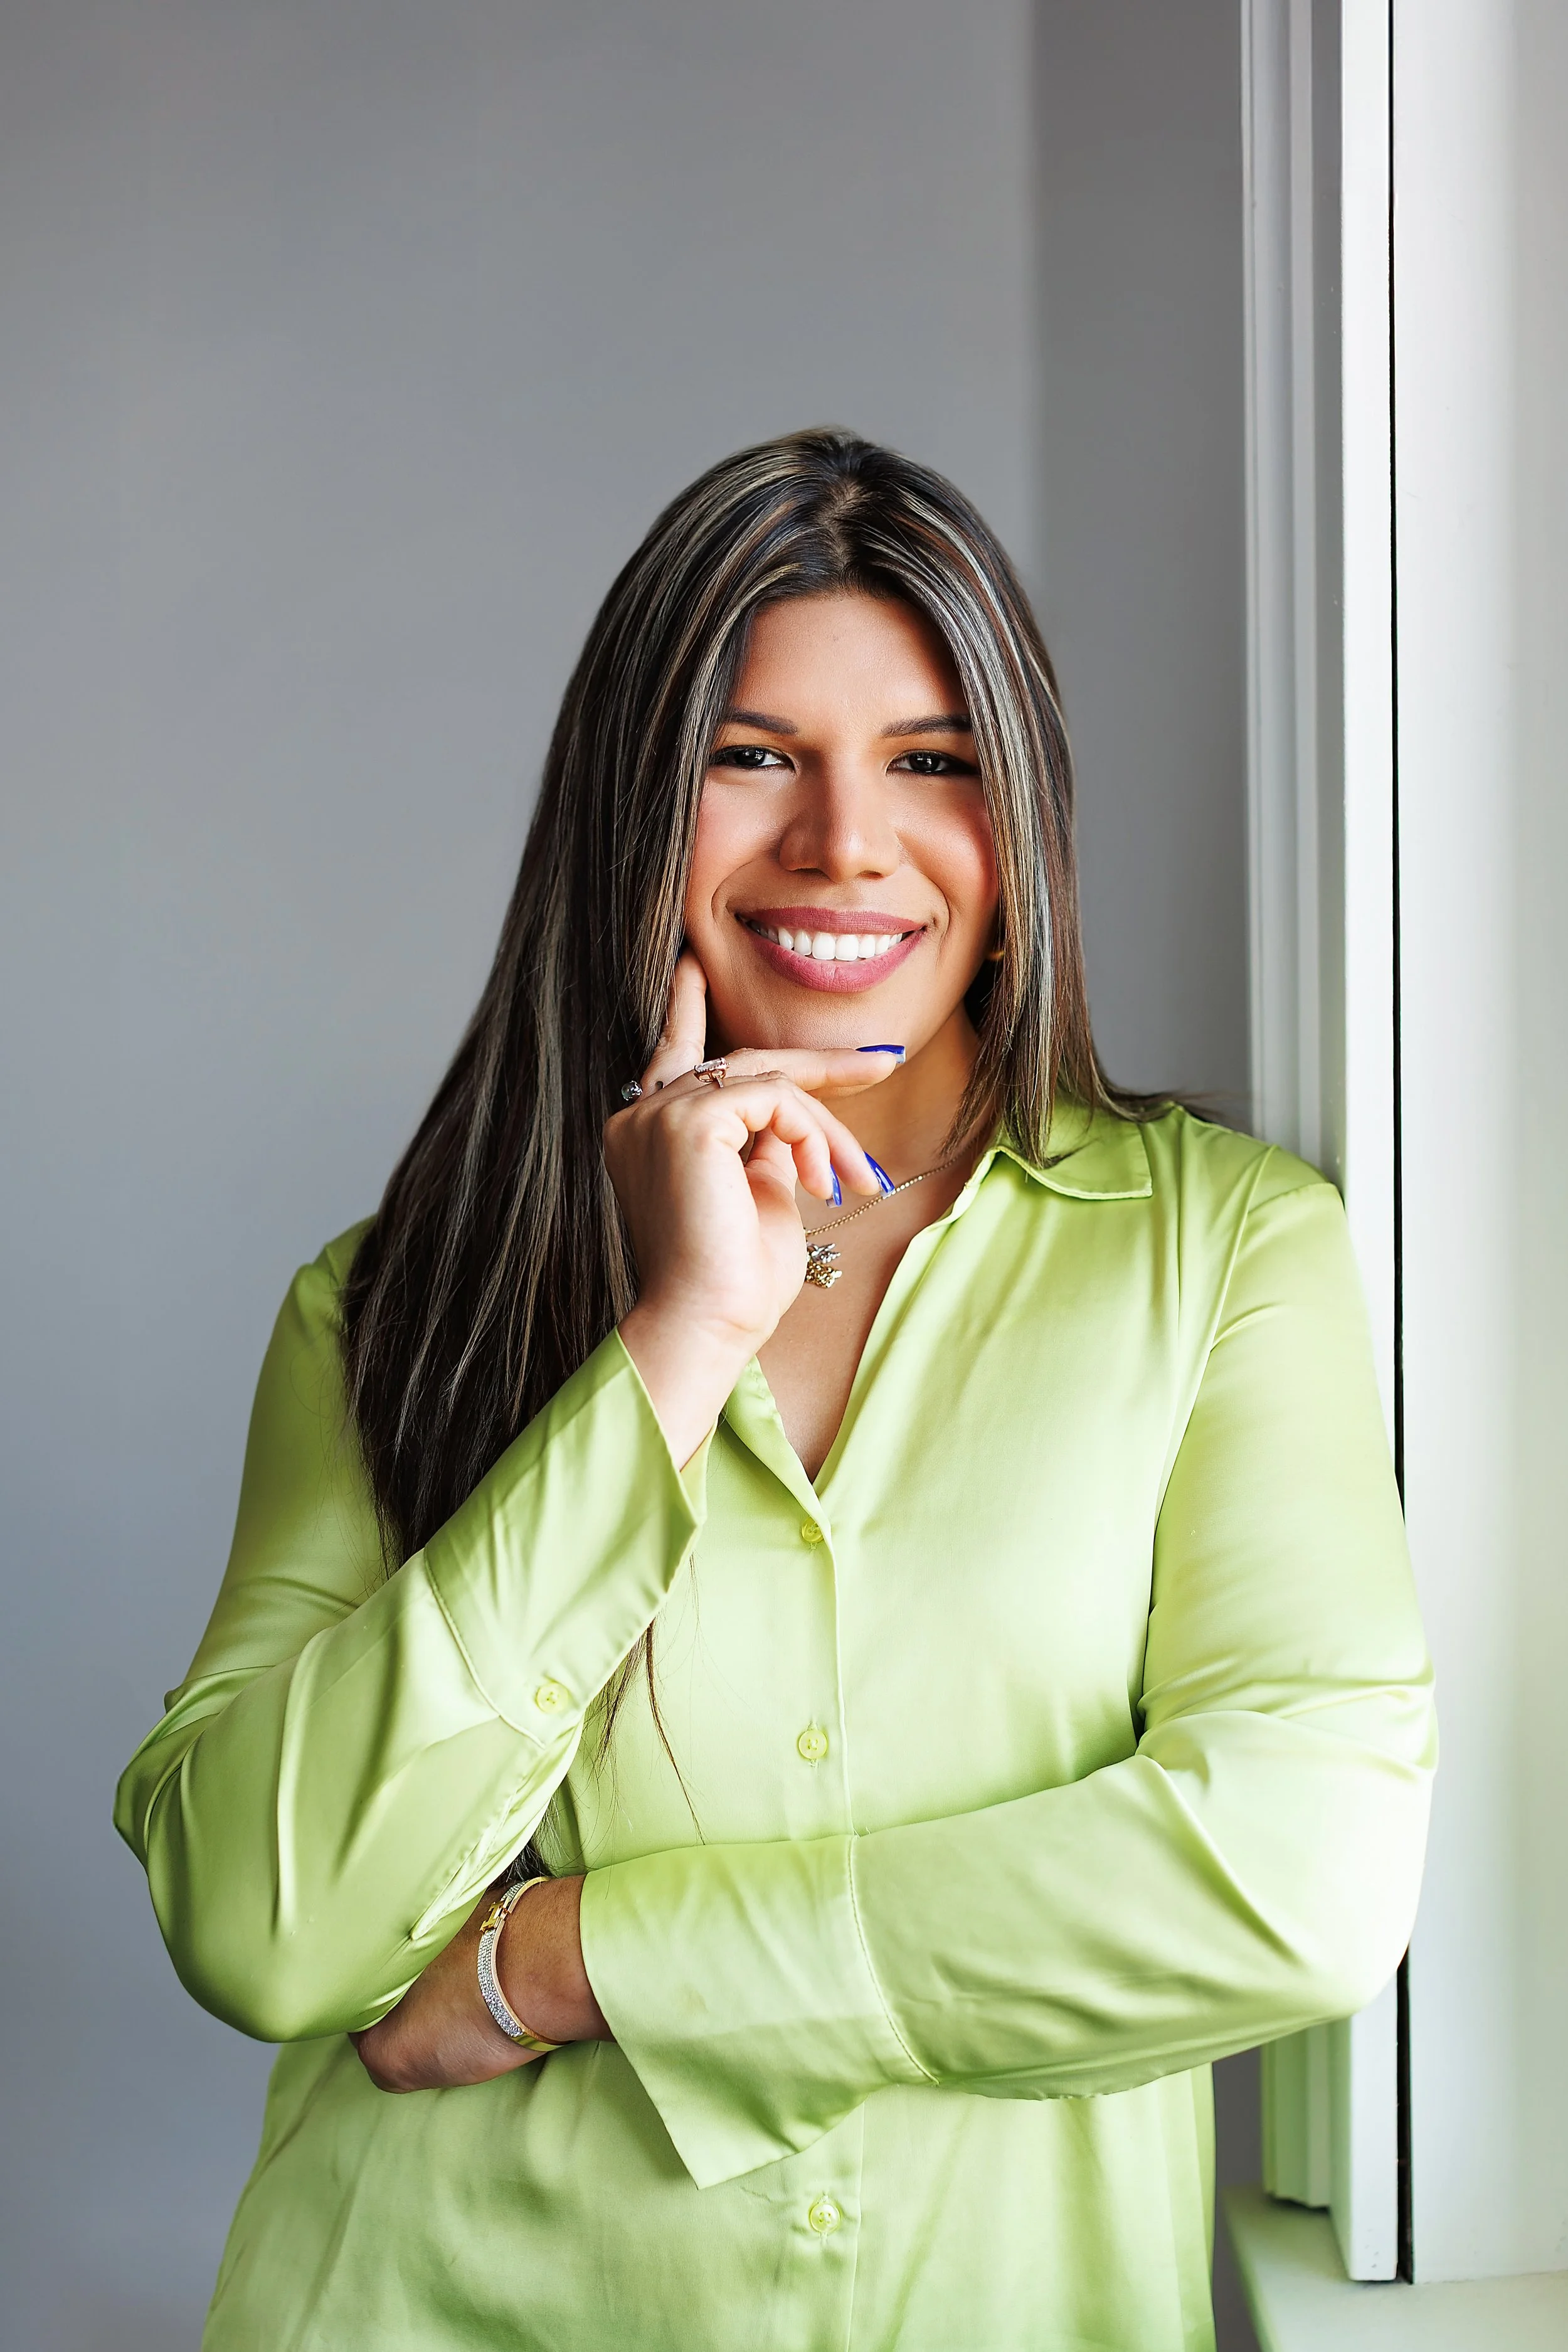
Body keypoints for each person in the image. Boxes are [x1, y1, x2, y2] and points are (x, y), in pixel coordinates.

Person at [115, 428, 1435, 2352]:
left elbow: (1293, 1873)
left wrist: (569, 1959)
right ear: (636, 800)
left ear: (1022, 813)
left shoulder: (1224, 1254)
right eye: (752, 757)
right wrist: (671, 1346)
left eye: (929, 761)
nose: (839, 845)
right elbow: (262, 1917)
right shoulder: (390, 1301)